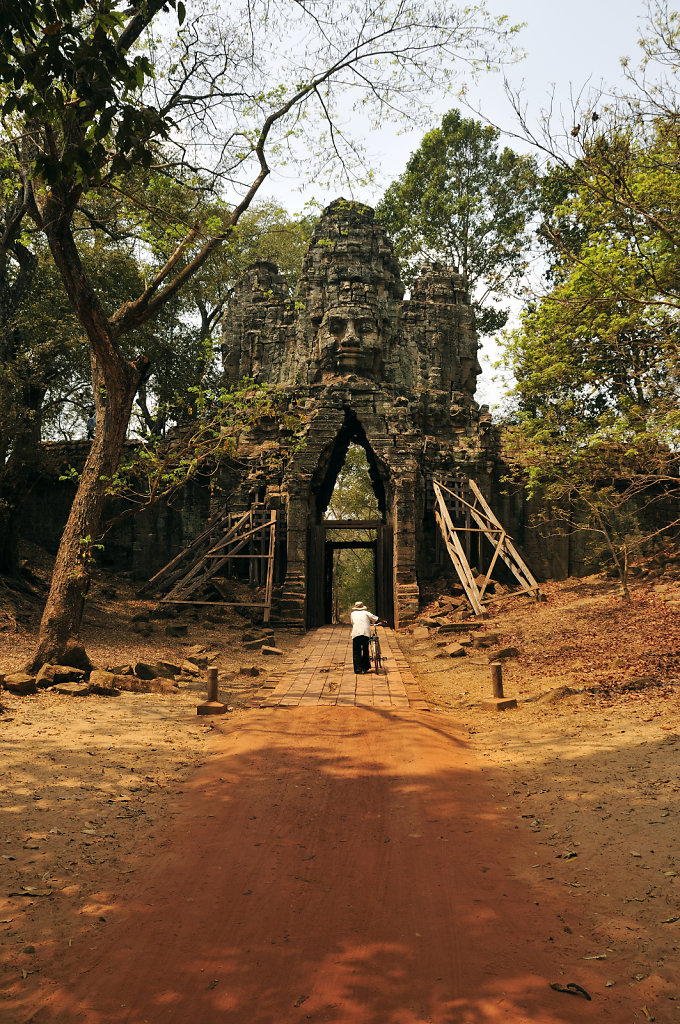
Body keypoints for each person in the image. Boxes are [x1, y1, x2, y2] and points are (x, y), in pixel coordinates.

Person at [350, 600, 379, 674]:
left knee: (356, 651)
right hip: (365, 634)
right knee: (365, 649)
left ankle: (357, 669)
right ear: (363, 607)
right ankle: (365, 666)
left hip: (356, 634)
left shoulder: (352, 614)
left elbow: (352, 623)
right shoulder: (366, 613)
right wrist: (384, 621)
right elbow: (376, 618)